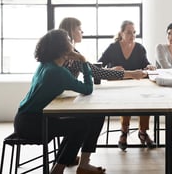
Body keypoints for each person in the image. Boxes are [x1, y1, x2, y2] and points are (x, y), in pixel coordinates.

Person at [13, 29, 106, 174]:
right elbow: (87, 89)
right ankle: (58, 170)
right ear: (62, 47)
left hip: (23, 120)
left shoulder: (46, 65)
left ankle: (74, 162)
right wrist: (83, 60)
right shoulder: (58, 72)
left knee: (88, 119)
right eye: (69, 40)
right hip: (34, 125)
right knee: (80, 126)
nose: (71, 42)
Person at [98, 20, 156, 151]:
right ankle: (124, 132)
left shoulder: (139, 48)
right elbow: (99, 65)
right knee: (127, 99)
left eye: (134, 32)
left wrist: (149, 66)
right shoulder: (113, 47)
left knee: (146, 99)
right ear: (121, 33)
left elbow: (145, 63)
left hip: (137, 86)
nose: (132, 35)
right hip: (117, 87)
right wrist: (112, 70)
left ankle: (143, 132)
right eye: (129, 32)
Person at [59, 17, 146, 81]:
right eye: (79, 29)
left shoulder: (67, 52)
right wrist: (132, 74)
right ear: (71, 31)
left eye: (134, 32)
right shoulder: (71, 56)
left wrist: (110, 70)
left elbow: (95, 70)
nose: (82, 32)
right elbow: (95, 72)